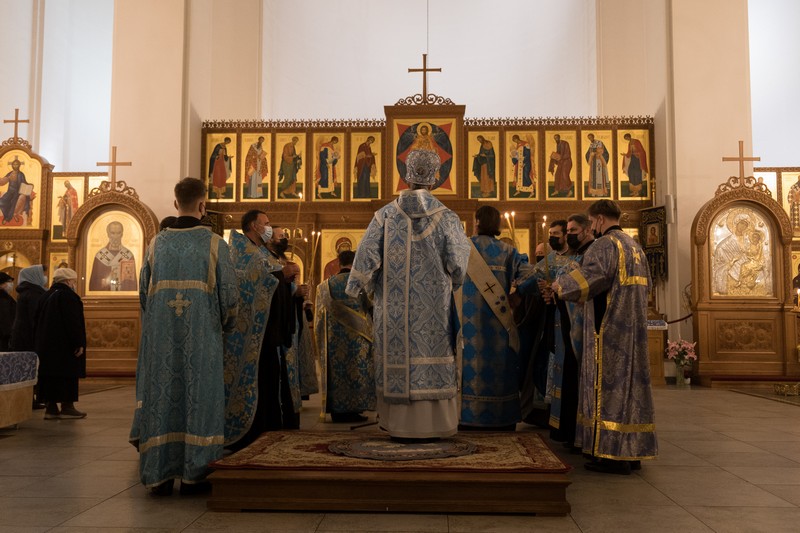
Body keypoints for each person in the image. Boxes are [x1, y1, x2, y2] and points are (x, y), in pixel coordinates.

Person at [346, 149, 470, 442]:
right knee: (432, 351)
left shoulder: (384, 215)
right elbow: (458, 264)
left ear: (406, 176)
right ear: (435, 179)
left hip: (393, 310)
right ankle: (434, 425)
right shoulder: (447, 217)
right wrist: (451, 281)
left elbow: (365, 257)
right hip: (434, 308)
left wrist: (358, 286)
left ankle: (398, 424)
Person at [129, 177, 239, 495]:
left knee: (162, 399)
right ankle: (195, 474)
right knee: (199, 399)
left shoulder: (156, 244)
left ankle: (159, 474)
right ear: (203, 205)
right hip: (203, 339)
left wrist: (160, 321)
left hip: (161, 340)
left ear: (176, 203)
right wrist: (225, 325)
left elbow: (143, 293)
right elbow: (229, 297)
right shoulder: (216, 244)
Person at [551, 200, 657, 475]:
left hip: (609, 334)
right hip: (634, 333)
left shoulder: (605, 245)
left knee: (608, 390)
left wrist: (560, 285)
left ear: (598, 219)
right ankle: (632, 450)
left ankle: (611, 455)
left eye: (592, 222)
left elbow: (590, 279)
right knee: (631, 392)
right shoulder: (635, 247)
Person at [459, 206, 536, 430]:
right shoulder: (508, 252)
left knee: (470, 367)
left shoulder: (462, 248)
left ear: (476, 222)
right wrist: (518, 294)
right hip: (498, 326)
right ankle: (501, 418)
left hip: (468, 326)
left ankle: (468, 416)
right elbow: (532, 275)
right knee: (499, 368)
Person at [222, 210, 280, 449]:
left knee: (266, 377)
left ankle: (265, 429)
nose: (269, 227)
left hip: (264, 328)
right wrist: (280, 275)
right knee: (255, 377)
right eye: (266, 223)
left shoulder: (258, 251)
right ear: (255, 226)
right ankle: (250, 431)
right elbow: (251, 280)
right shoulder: (243, 252)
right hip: (247, 330)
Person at [544, 213, 595, 450]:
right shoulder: (577, 255)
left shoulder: (591, 254)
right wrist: (554, 293)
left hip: (582, 327)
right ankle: (567, 431)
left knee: (575, 377)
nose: (570, 235)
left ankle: (575, 433)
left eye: (573, 231)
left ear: (587, 229)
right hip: (568, 324)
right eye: (569, 231)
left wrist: (558, 289)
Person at [315, 249, 376, 423]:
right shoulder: (362, 284)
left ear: (339, 263)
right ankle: (355, 409)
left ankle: (337, 411)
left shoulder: (324, 286)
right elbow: (372, 308)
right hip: (359, 340)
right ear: (355, 263)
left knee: (338, 374)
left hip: (333, 341)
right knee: (357, 372)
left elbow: (319, 320)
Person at [34, 268, 86, 420]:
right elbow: (73, 322)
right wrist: (78, 342)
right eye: (74, 281)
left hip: (45, 345)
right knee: (66, 376)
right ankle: (67, 407)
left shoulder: (45, 295)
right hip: (65, 346)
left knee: (49, 376)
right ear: (69, 281)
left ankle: (50, 409)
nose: (74, 284)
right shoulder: (68, 296)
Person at [9, 265, 48, 408]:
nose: (45, 277)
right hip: (28, 337)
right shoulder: (33, 294)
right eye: (42, 274)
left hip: (22, 336)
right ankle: (30, 400)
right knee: (30, 368)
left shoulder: (26, 292)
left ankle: (30, 399)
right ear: (35, 276)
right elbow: (35, 318)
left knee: (27, 368)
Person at [88, 221, 137, 291]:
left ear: (122, 234)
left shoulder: (128, 255)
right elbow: (94, 283)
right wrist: (106, 281)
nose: (116, 237)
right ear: (108, 234)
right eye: (113, 233)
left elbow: (132, 283)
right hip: (105, 296)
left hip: (123, 296)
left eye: (118, 233)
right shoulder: (100, 255)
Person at [0, 156, 34, 226]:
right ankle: (7, 215)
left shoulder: (21, 174)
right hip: (9, 192)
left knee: (13, 203)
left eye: (17, 164)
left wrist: (30, 186)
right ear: (12, 165)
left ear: (19, 165)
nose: (15, 166)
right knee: (2, 202)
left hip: (17, 193)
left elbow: (24, 183)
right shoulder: (10, 173)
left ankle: (7, 218)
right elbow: (3, 181)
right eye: (14, 164)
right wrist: (4, 179)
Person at [0, 272, 15, 351]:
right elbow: (5, 319)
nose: (11, 284)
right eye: (8, 282)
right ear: (1, 284)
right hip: (3, 338)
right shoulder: (3, 298)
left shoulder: (6, 297)